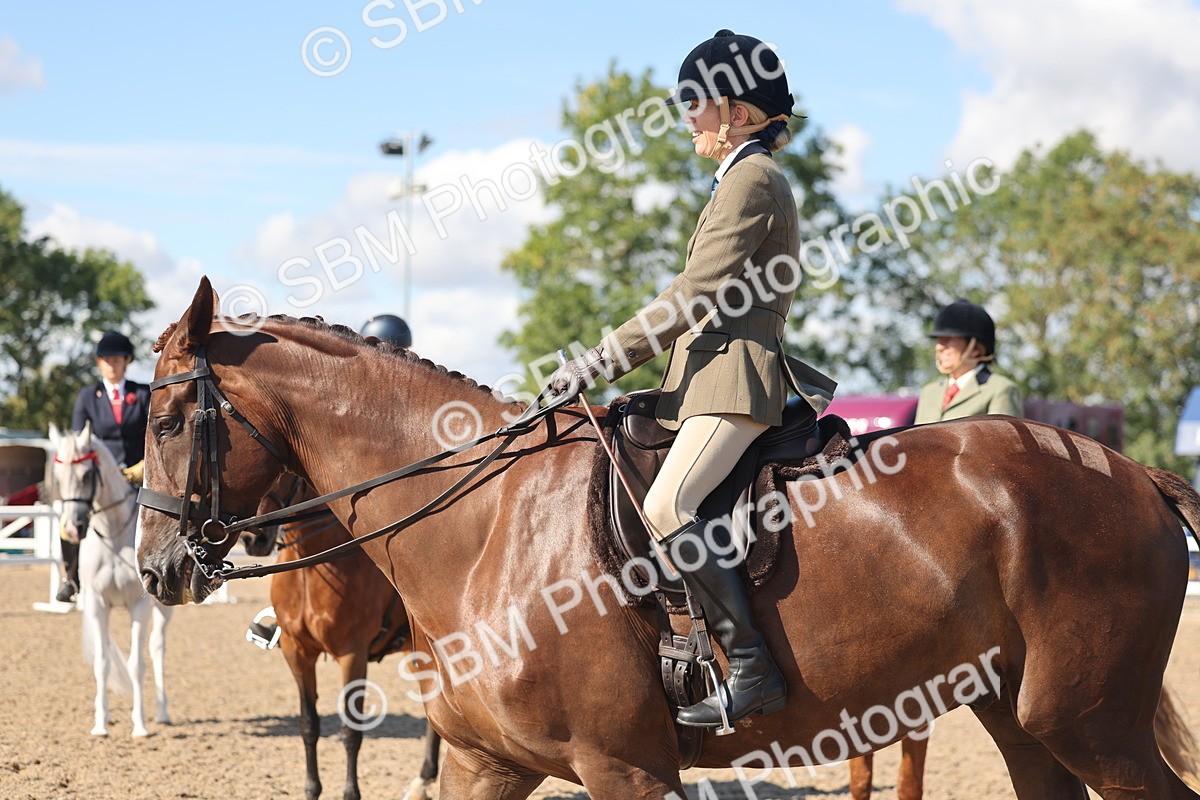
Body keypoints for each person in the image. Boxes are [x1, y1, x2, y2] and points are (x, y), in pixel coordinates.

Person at [546, 30, 836, 729]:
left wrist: (596, 361)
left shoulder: (753, 180)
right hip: (702, 378)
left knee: (672, 506)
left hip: (735, 379)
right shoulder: (738, 178)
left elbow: (694, 295)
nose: (687, 118)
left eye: (694, 103)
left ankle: (751, 667)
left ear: (736, 110)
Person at [246, 315, 412, 646]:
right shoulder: (349, 395)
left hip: (390, 490)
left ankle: (410, 614)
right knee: (299, 528)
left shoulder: (407, 396)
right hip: (343, 488)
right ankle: (285, 613)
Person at [58, 331, 150, 602]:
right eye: (106, 359)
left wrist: (145, 465)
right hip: (99, 479)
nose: (112, 364)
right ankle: (71, 578)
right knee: (68, 523)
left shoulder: (143, 394)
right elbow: (78, 440)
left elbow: (156, 435)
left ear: (127, 361)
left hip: (138, 473)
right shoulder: (88, 397)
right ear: (99, 363)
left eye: (117, 359)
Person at [913, 299, 1023, 424]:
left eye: (948, 340)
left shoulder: (1001, 390)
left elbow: (1003, 442)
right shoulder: (929, 392)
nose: (939, 347)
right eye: (939, 340)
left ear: (975, 349)